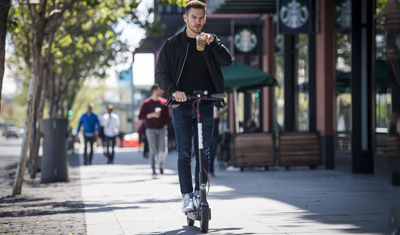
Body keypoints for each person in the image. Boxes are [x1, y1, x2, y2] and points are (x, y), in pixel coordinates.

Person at [155, 0, 232, 213]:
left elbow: (227, 61)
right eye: (193, 18)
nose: (197, 22)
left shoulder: (210, 41)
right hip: (181, 104)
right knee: (184, 153)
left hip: (205, 103)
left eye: (201, 18)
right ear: (185, 19)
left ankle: (201, 191)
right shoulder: (172, 44)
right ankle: (187, 196)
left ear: (205, 19)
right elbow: (160, 74)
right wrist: (173, 91)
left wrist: (214, 43)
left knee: (204, 150)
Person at [138, 84, 171, 178]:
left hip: (161, 129)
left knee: (163, 149)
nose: (162, 91)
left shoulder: (164, 102)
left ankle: (161, 164)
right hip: (150, 129)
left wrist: (165, 125)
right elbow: (140, 116)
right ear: (154, 90)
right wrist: (151, 115)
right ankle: (153, 169)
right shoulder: (146, 103)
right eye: (160, 89)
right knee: (153, 150)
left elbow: (168, 117)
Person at [209, 104, 228, 176]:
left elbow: (226, 106)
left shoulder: (216, 100)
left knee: (213, 152)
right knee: (204, 151)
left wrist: (219, 113)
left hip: (214, 132)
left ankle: (211, 169)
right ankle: (205, 170)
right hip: (204, 131)